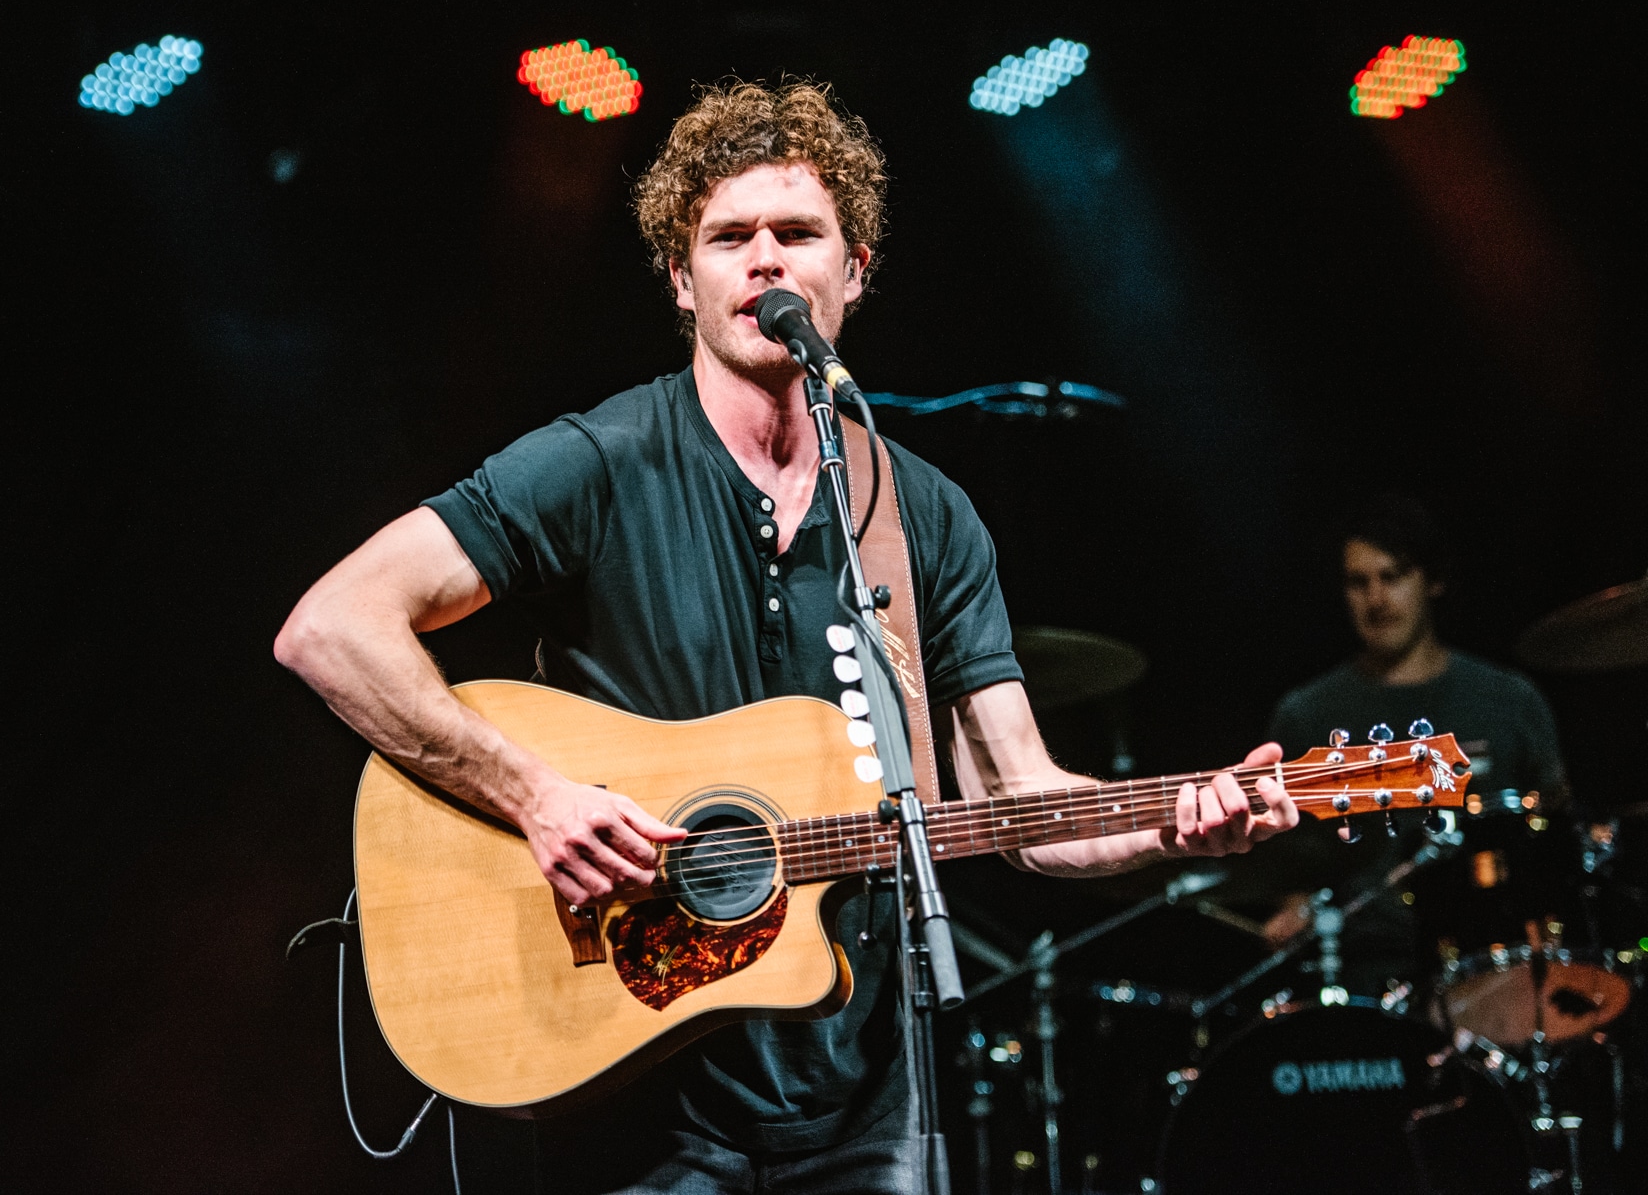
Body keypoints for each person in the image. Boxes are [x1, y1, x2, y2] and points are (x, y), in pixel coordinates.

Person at [275, 81, 1298, 1193]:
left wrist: (1172, 826)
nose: (764, 258)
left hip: (861, 1089)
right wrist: (535, 795)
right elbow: (332, 626)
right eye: (728, 237)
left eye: (798, 232)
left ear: (853, 271)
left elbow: (1021, 805)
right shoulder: (597, 461)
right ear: (682, 279)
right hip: (631, 1075)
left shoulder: (922, 514)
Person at [1258, 495, 1568, 983]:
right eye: (1358, 582)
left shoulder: (1508, 700)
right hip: (1364, 973)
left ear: (1433, 581)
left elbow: (1558, 835)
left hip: (1495, 962)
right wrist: (1292, 915)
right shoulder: (1305, 716)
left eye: (1393, 576)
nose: (1377, 599)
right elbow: (1288, 865)